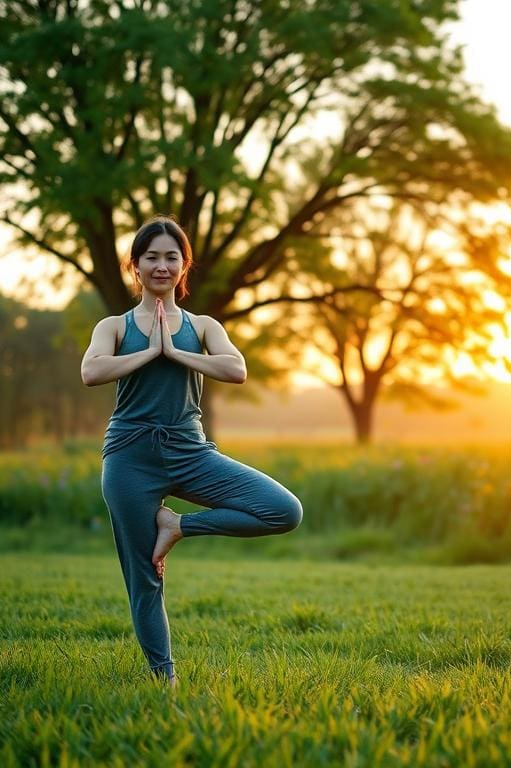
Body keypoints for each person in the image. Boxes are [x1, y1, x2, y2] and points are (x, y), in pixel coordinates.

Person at [80, 214, 303, 685]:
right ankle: (165, 680)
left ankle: (176, 525)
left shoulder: (202, 325)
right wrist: (149, 352)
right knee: (145, 578)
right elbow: (91, 372)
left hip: (191, 452)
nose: (162, 266)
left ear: (184, 267)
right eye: (151, 257)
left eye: (172, 257)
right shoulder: (114, 326)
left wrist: (176, 351)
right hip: (129, 459)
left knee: (283, 510)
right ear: (135, 266)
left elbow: (235, 368)